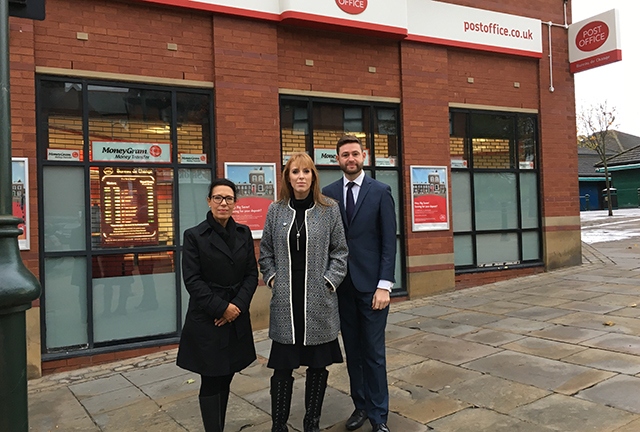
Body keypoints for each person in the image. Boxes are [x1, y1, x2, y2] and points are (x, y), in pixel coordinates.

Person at [259, 152, 348, 432]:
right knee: (282, 368)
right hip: (286, 300)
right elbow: (265, 252)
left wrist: (329, 282)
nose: (300, 176)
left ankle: (312, 422)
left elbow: (340, 252)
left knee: (317, 367)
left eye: (306, 172)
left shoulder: (329, 209)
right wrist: (273, 279)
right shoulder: (276, 210)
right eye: (295, 171)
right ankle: (279, 424)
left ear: (313, 177)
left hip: (318, 300)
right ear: (288, 176)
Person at [322, 135, 397, 432]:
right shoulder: (327, 194)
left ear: (363, 155)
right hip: (343, 288)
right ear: (337, 159)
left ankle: (379, 416)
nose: (350, 159)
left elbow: (388, 243)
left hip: (372, 287)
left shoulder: (380, 191)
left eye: (355, 153)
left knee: (374, 353)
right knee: (353, 350)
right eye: (344, 155)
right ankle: (361, 406)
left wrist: (384, 285)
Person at [177, 178, 258, 432]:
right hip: (208, 320)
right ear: (209, 201)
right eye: (218, 198)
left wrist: (236, 307)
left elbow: (251, 275)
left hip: (235, 317)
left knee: (228, 375)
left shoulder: (243, 234)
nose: (223, 203)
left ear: (235, 203)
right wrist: (222, 308)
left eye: (229, 198)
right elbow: (192, 280)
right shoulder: (194, 236)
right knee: (211, 380)